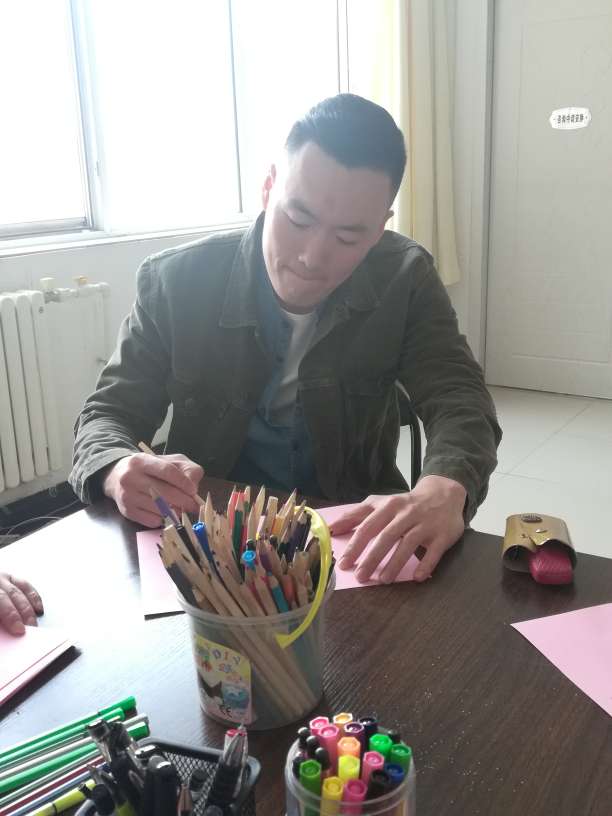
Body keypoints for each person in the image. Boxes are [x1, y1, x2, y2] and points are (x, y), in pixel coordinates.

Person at [70, 94, 501, 583]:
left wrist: (445, 485)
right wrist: (116, 467)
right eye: (298, 219)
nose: (312, 257)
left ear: (381, 227)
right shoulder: (175, 282)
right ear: (269, 186)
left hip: (350, 531)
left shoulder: (405, 277)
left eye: (348, 237)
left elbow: (459, 397)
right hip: (213, 535)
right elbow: (107, 413)